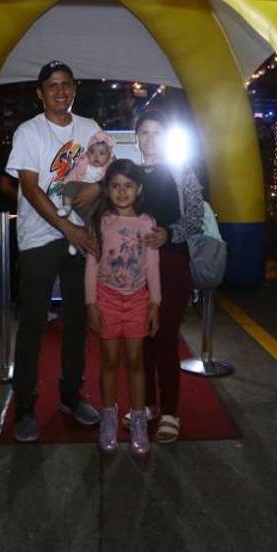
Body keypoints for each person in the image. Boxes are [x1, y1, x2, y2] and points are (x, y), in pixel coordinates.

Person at [4, 61, 103, 442]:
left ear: (75, 89)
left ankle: (70, 396)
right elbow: (29, 187)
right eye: (52, 85)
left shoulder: (90, 128)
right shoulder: (29, 132)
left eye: (66, 84)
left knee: (77, 321)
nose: (60, 91)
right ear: (40, 93)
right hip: (39, 238)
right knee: (33, 322)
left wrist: (93, 193)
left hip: (82, 237)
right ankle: (25, 406)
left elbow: (108, 174)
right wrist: (67, 227)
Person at [136, 110, 205, 444]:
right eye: (145, 133)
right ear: (136, 138)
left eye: (157, 133)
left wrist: (169, 234)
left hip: (172, 263)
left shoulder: (181, 172)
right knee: (141, 339)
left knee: (164, 337)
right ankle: (148, 404)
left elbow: (195, 217)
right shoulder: (129, 173)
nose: (151, 139)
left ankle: (170, 412)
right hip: (135, 267)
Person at [85, 160, 161, 456]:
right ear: (107, 189)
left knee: (135, 361)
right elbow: (91, 266)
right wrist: (91, 303)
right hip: (106, 299)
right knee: (108, 360)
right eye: (115, 186)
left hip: (138, 300)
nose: (121, 191)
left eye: (128, 185)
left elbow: (152, 265)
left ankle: (139, 420)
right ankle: (108, 418)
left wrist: (155, 302)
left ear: (139, 189)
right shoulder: (101, 222)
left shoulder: (147, 222)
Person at [60, 130, 116, 255]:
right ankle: (66, 207)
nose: (96, 156)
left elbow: (111, 182)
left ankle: (76, 244)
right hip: (78, 192)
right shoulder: (83, 164)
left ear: (109, 156)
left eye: (101, 153)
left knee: (91, 223)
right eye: (92, 152)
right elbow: (73, 176)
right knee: (69, 186)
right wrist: (65, 186)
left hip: (95, 201)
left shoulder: (108, 169)